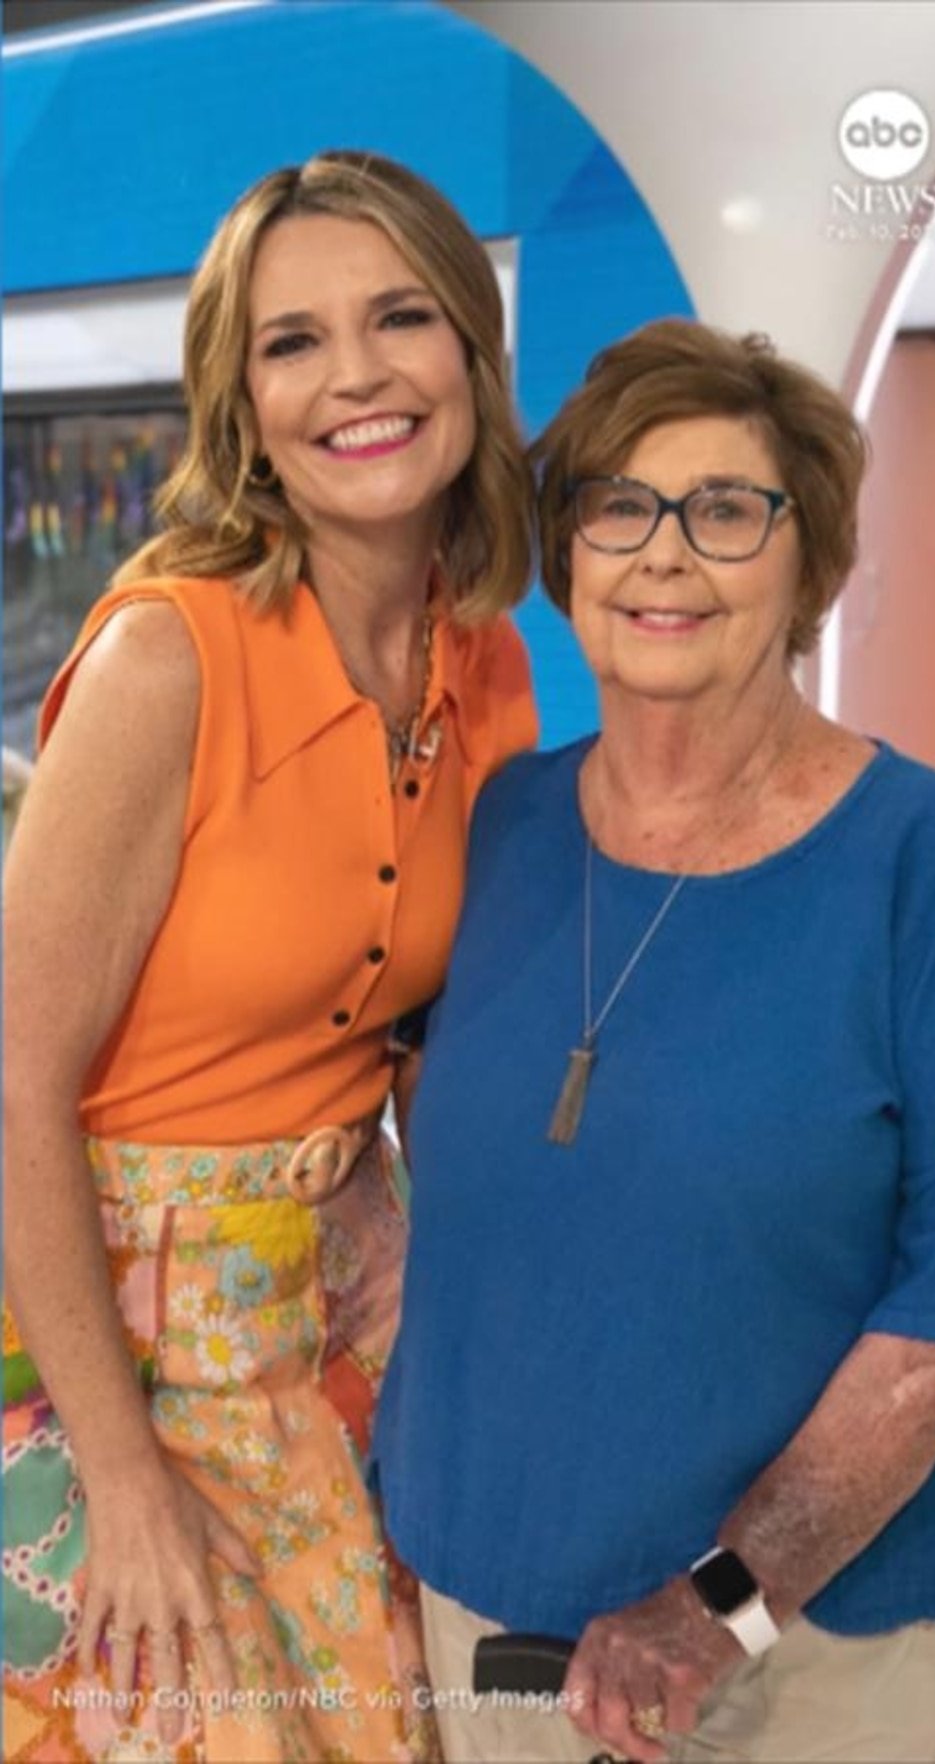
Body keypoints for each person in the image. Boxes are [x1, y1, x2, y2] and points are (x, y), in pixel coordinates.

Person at [373, 318, 935, 1764]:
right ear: (569, 557)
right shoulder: (505, 824)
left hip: (799, 1653)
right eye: (619, 508)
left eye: (724, 511)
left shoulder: (932, 860)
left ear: (807, 561)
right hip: (485, 1608)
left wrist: (722, 1601)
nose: (664, 555)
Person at [2, 148, 537, 1764]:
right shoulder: (167, 656)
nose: (355, 375)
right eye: (292, 342)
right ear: (243, 405)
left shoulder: (484, 658)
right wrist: (119, 1478)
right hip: (111, 1338)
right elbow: (13, 1081)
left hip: (341, 1312)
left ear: (472, 353)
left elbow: (427, 1032)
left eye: (400, 317)